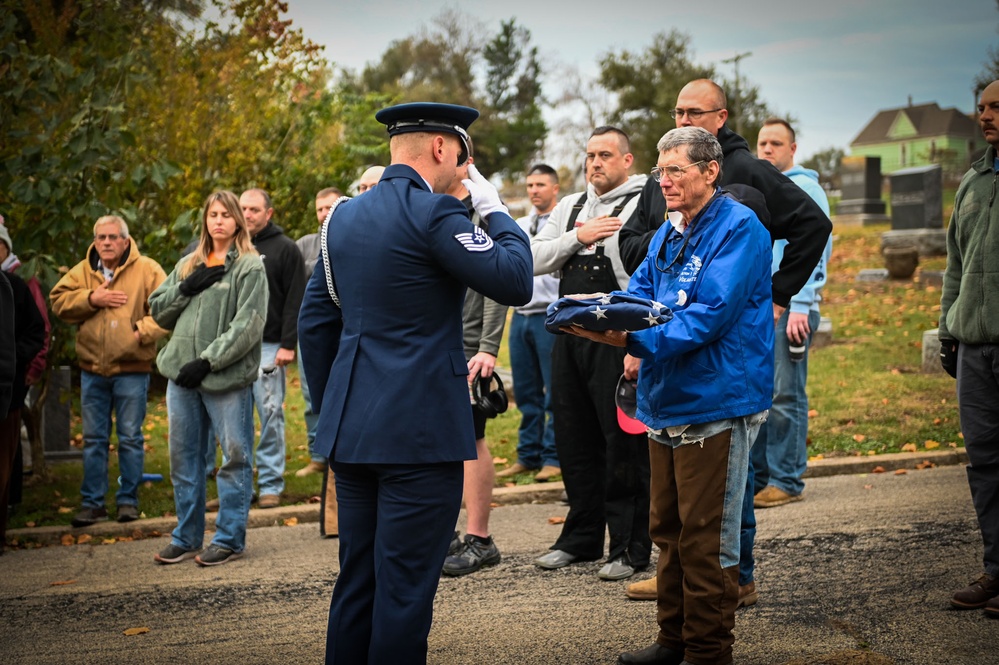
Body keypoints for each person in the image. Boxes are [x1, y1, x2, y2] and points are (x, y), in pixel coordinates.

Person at [298, 102, 532, 664]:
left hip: (353, 431)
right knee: (404, 592)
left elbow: (315, 322)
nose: (466, 166)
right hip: (419, 435)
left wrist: (339, 401)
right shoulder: (435, 215)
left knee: (357, 582)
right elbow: (516, 278)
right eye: (464, 155)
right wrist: (493, 206)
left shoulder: (342, 219)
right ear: (441, 149)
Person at [565, 127, 772, 665]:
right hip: (666, 400)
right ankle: (672, 641)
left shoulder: (739, 228)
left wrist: (634, 338)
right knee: (669, 529)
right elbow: (639, 293)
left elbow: (710, 315)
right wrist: (597, 313)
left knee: (706, 538)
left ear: (710, 171)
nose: (665, 181)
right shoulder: (668, 230)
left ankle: (708, 651)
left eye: (676, 170)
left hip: (717, 402)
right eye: (661, 171)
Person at [622, 78, 833, 604]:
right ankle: (683, 589)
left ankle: (733, 579)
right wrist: (630, 326)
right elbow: (637, 253)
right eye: (677, 111)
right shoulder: (670, 197)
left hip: (722, 367)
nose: (683, 120)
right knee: (678, 511)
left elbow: (812, 224)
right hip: (672, 369)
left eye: (694, 112)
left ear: (721, 119)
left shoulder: (746, 189)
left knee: (722, 493)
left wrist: (782, 293)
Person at [531, 126, 651, 581]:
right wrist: (579, 237)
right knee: (574, 439)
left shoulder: (644, 201)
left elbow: (639, 268)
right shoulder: (570, 207)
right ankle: (580, 539)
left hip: (617, 340)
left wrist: (636, 344)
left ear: (627, 160)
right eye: (589, 155)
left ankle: (629, 547)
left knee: (622, 442)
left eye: (605, 155)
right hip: (569, 339)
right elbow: (535, 256)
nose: (595, 163)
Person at [150, 190, 268, 566]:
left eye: (225, 214)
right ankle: (186, 536)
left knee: (234, 457)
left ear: (237, 221)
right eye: (212, 214)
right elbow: (157, 310)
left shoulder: (250, 267)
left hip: (224, 379)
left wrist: (207, 360)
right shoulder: (189, 263)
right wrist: (186, 288)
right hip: (181, 377)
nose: (218, 220)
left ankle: (230, 538)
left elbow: (247, 325)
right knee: (184, 459)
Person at [50, 215, 168, 527]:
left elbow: (168, 309)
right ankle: (93, 504)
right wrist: (92, 297)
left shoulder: (148, 269)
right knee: (93, 439)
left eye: (113, 237)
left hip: (132, 369)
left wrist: (141, 332)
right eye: (100, 237)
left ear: (125, 241)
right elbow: (58, 301)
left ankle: (128, 501)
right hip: (92, 370)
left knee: (129, 437)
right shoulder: (83, 271)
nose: (105, 242)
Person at [940, 79, 999, 617]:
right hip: (975, 347)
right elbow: (955, 265)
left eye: (996, 107)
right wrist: (947, 332)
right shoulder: (974, 181)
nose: (986, 116)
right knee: (984, 461)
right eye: (981, 107)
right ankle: (997, 568)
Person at [753, 117, 832, 508]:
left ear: (792, 149)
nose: (767, 150)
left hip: (792, 310)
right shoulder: (764, 188)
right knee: (763, 396)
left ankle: (787, 479)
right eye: (762, 143)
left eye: (775, 144)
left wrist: (801, 304)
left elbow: (817, 248)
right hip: (766, 310)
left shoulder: (806, 188)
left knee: (786, 395)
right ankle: (764, 476)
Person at [441, 147, 508, 576]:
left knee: (471, 438)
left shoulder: (481, 217)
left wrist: (486, 347)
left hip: (467, 350)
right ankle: (442, 533)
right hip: (435, 348)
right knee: (440, 443)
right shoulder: (433, 211)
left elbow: (498, 283)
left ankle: (480, 538)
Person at [239, 188, 306, 509]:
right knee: (235, 420)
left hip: (269, 346)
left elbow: (295, 300)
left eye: (254, 209)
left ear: (269, 213)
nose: (247, 215)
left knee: (269, 417)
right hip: (235, 349)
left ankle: (270, 484)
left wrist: (287, 345)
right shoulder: (232, 248)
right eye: (243, 209)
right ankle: (240, 486)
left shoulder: (285, 249)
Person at [496, 164, 562, 482]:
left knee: (553, 391)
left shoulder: (563, 224)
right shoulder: (519, 225)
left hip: (549, 316)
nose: (534, 190)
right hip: (520, 316)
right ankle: (528, 454)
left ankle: (553, 456)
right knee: (525, 392)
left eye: (540, 184)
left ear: (555, 189)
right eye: (530, 184)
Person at [0, 216, 51, 506]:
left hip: (10, 383)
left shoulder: (18, 284)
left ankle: (8, 508)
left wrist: (24, 364)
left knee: (7, 452)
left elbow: (38, 329)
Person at [295, 186, 344, 479]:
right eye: (319, 209)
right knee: (311, 392)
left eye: (330, 207)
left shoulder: (351, 237)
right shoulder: (304, 246)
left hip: (346, 332)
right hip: (313, 332)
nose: (324, 214)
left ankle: (340, 448)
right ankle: (318, 454)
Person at [0, 269, 44, 554]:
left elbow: (35, 331)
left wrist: (14, 360)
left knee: (2, 465)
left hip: (5, 395)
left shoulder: (11, 286)